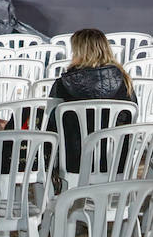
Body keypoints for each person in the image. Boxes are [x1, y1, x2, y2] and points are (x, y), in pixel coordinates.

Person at [46, 27, 138, 174]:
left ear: (77, 52)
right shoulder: (124, 82)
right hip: (116, 160)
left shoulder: (63, 84)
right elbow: (131, 120)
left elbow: (51, 125)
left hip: (74, 161)